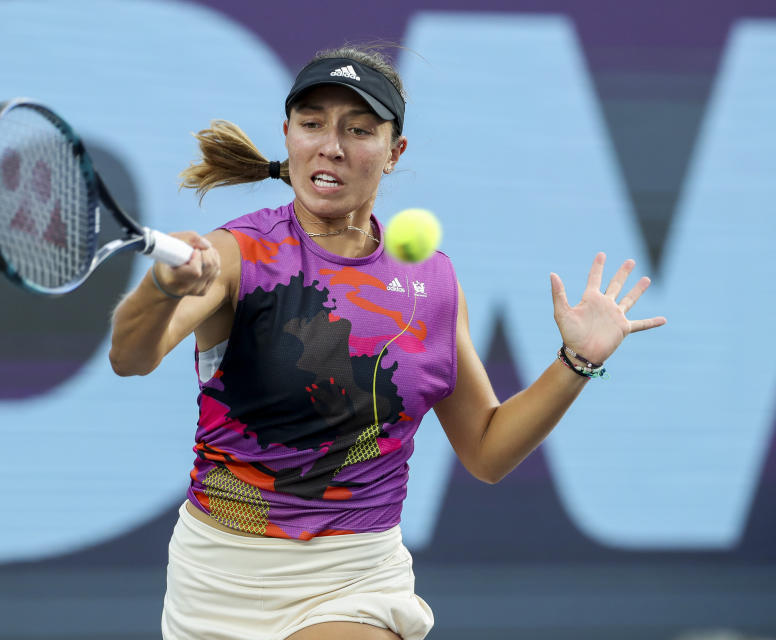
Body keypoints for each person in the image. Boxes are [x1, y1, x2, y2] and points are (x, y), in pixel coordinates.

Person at [109, 46, 665, 640]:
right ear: (289, 135)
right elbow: (131, 357)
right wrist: (161, 289)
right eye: (313, 123)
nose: (332, 145)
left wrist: (577, 362)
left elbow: (486, 450)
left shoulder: (433, 283)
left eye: (359, 130)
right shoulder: (237, 254)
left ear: (394, 152)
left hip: (356, 573)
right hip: (220, 576)